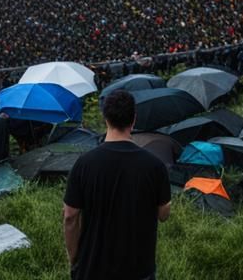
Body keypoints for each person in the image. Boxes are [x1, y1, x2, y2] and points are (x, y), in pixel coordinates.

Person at [63, 90, 171, 280]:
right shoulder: (155, 165)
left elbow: (70, 217)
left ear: (105, 118)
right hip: (139, 270)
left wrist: (74, 260)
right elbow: (163, 215)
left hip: (92, 269)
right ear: (134, 119)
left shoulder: (84, 164)